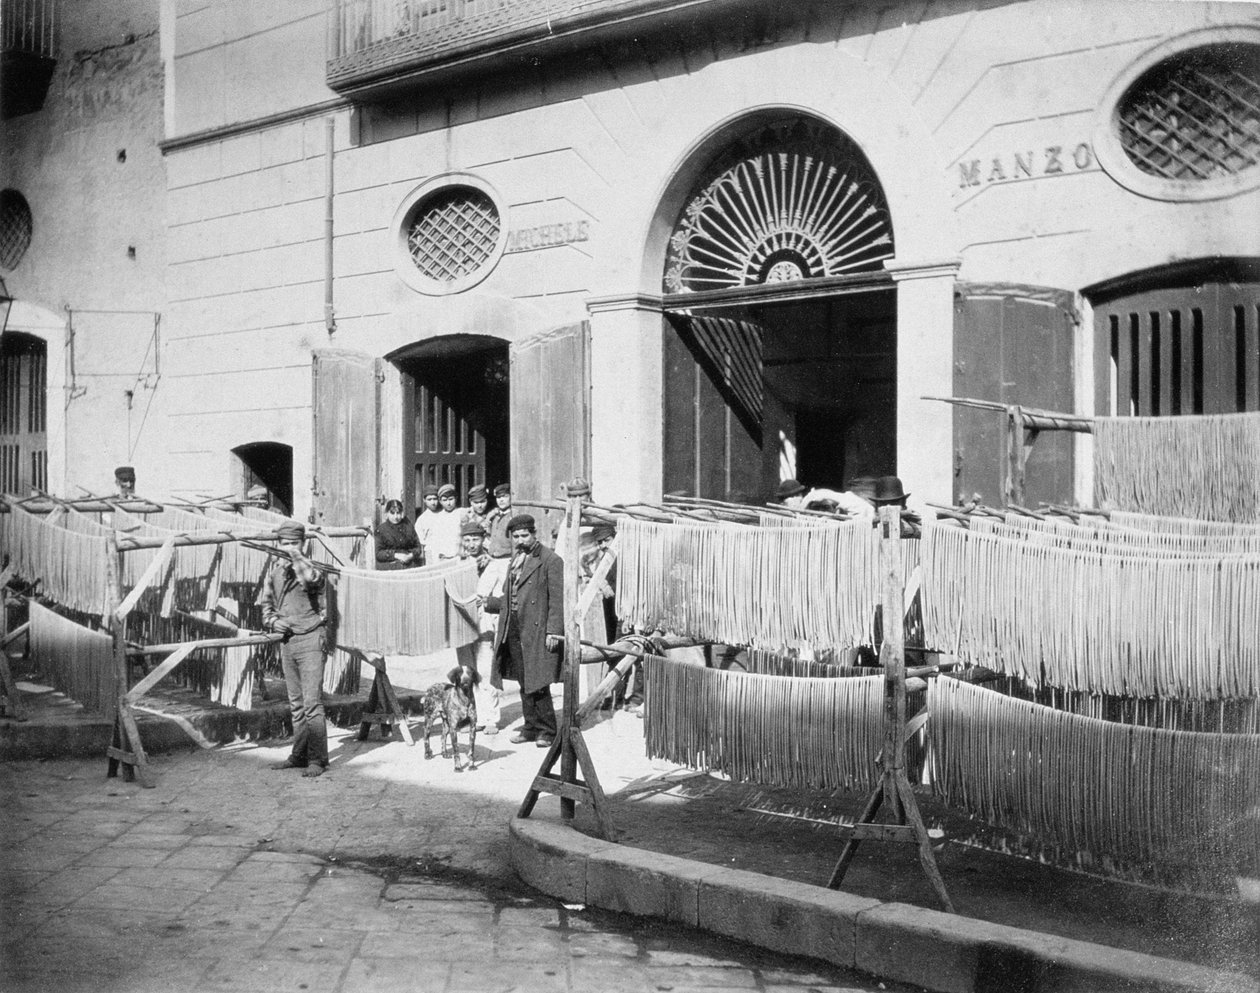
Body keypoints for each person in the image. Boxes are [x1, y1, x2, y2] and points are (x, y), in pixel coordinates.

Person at [258, 520, 329, 778]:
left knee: (312, 704)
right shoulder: (273, 573)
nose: (288, 548)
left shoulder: (312, 568)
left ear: (304, 544)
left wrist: (297, 557)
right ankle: (298, 755)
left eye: (294, 544)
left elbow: (312, 580)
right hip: (288, 641)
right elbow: (266, 611)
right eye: (284, 544)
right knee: (296, 704)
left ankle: (318, 759)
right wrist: (276, 622)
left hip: (311, 639)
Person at [485, 513, 563, 747]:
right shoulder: (515, 559)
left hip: (537, 628)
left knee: (538, 679)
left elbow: (557, 600)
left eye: (524, 535)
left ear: (534, 534)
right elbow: (512, 595)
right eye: (516, 536)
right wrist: (492, 604)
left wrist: (553, 631)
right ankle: (530, 726)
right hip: (515, 626)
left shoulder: (551, 560)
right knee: (523, 679)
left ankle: (547, 730)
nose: (520, 540)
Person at [452, 519, 505, 735]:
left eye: (475, 539)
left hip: (484, 624)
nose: (472, 543)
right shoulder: (456, 563)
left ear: (483, 540)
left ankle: (490, 718)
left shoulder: (494, 564)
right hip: (462, 624)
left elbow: (498, 594)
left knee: (485, 672)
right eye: (467, 540)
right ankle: (469, 716)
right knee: (465, 673)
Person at [775, 477, 875, 519]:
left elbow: (862, 508)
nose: (782, 504)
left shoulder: (812, 503)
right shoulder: (783, 518)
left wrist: (824, 494)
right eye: (782, 501)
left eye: (798, 495)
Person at [374, 499, 421, 570]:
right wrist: (396, 555)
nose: (396, 517)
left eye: (398, 513)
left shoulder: (408, 526)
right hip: (389, 567)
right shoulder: (381, 530)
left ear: (402, 513)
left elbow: (418, 547)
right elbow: (378, 553)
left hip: (409, 565)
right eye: (392, 513)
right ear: (386, 514)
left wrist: (410, 556)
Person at [427, 482, 464, 561]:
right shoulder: (438, 518)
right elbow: (434, 543)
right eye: (445, 500)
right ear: (440, 501)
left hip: (459, 558)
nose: (448, 503)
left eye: (451, 499)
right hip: (443, 559)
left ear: (456, 498)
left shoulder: (462, 513)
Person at [485, 483, 513, 559]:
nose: (501, 500)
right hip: (492, 557)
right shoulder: (493, 516)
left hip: (507, 558)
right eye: (498, 497)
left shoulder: (513, 516)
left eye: (505, 496)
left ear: (511, 497)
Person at [415, 485, 441, 562]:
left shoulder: (443, 514)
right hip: (430, 552)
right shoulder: (422, 519)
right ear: (424, 500)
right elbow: (420, 540)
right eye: (429, 499)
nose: (433, 502)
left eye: (435, 499)